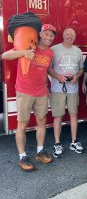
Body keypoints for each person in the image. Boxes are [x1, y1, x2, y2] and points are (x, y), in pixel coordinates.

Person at [2, 23, 56, 171]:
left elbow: (45, 71)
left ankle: (40, 151)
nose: (48, 37)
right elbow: (5, 56)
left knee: (41, 121)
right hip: (25, 91)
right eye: (46, 34)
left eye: (51, 35)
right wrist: (24, 52)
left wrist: (48, 87)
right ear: (40, 34)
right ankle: (22, 157)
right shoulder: (29, 45)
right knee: (22, 124)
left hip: (41, 93)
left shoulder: (50, 53)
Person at [49, 28, 84, 158]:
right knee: (58, 116)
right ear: (63, 35)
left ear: (74, 37)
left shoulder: (78, 51)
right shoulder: (54, 49)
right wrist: (58, 77)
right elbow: (49, 68)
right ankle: (57, 143)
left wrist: (77, 77)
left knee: (73, 114)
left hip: (73, 88)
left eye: (72, 35)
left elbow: (81, 69)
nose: (70, 36)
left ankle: (74, 141)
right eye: (67, 34)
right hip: (58, 88)